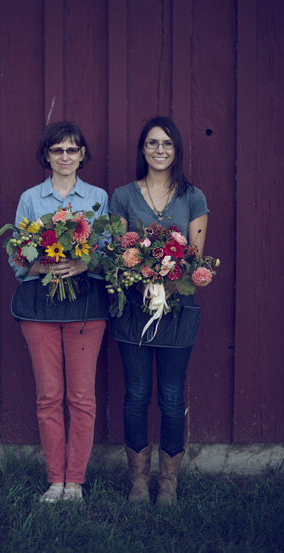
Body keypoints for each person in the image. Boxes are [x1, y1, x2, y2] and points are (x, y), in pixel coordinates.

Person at [109, 116, 209, 505]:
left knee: (170, 395)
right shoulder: (123, 196)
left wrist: (168, 277)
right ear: (143, 149)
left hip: (177, 308)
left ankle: (167, 483)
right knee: (135, 393)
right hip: (133, 308)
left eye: (167, 143)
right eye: (152, 143)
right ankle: (138, 481)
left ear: (176, 149)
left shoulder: (193, 197)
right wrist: (143, 275)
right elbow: (119, 254)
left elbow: (196, 260)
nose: (160, 150)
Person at [9, 122, 109, 502]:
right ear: (47, 155)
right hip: (40, 308)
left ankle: (75, 482)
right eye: (57, 150)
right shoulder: (31, 199)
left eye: (72, 150)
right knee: (49, 396)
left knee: (81, 397)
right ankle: (55, 479)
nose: (65, 157)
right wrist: (44, 264)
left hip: (85, 307)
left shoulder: (98, 197)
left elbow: (109, 251)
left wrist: (85, 264)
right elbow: (18, 256)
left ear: (82, 154)